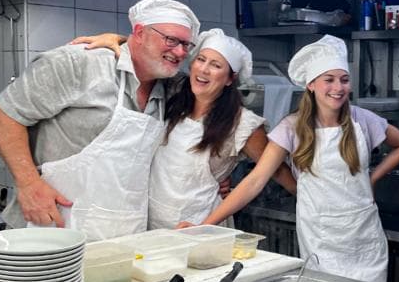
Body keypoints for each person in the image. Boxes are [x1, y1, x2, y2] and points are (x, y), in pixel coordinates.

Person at [187, 35, 399, 282]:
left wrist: (373, 178)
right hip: (320, 238)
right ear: (311, 85)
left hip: (364, 238)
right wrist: (204, 226)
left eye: (344, 80)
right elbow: (256, 180)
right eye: (329, 80)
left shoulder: (362, 120)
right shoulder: (291, 127)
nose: (338, 88)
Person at [0, 0, 200, 240]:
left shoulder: (171, 88)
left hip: (121, 237)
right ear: (140, 32)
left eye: (186, 45)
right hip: (49, 227)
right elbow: (3, 114)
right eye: (171, 40)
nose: (180, 52)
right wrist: (28, 183)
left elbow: (217, 83)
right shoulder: (78, 62)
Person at [74, 28, 298, 229]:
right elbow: (152, 53)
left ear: (230, 79)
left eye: (216, 65)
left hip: (200, 227)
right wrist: (116, 38)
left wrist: (307, 199)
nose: (204, 70)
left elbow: (273, 170)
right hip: (149, 223)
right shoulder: (172, 94)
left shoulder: (243, 124)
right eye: (201, 59)